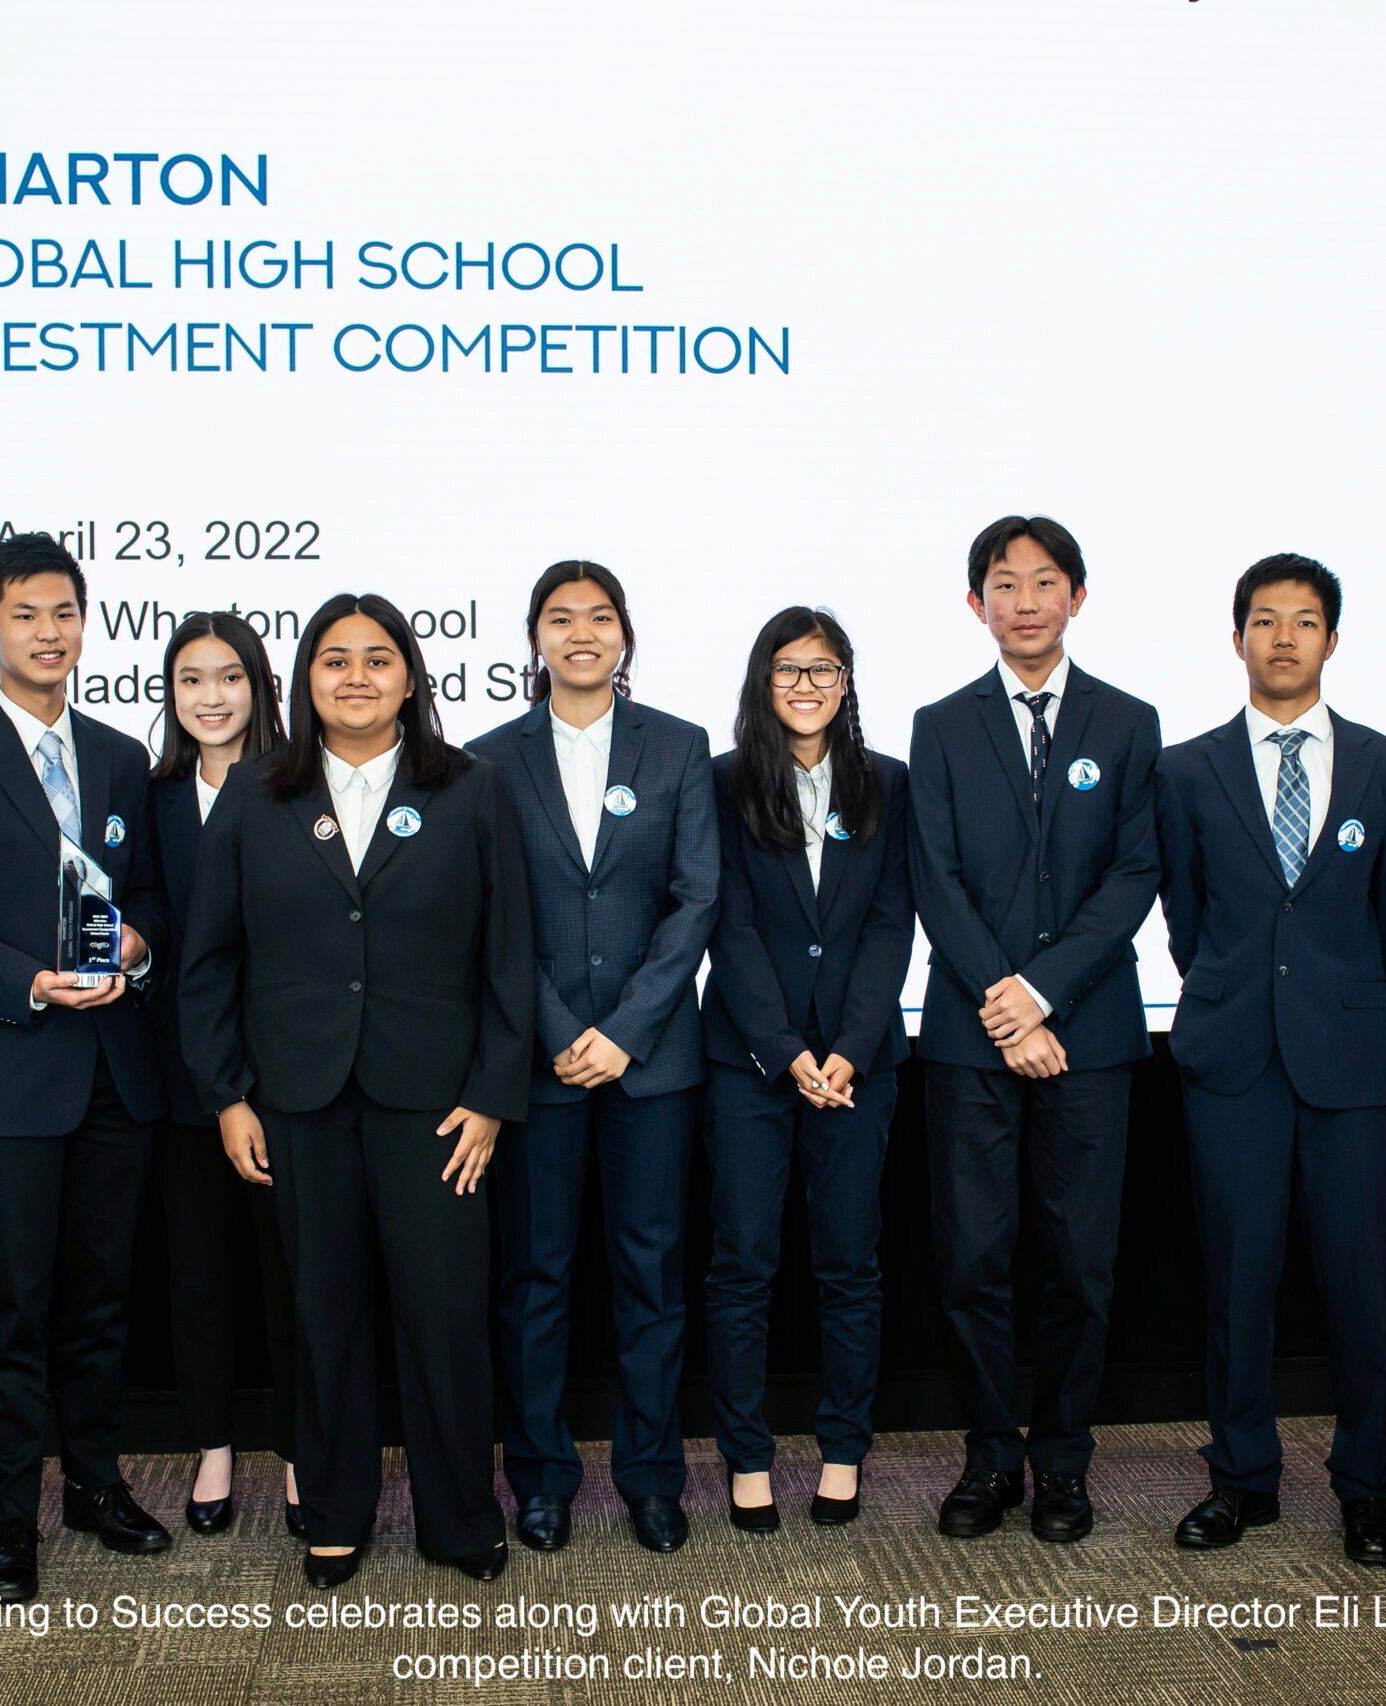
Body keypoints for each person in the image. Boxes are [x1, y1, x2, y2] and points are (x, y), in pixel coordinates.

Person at [180, 593, 533, 1588]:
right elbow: (210, 957)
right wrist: (227, 1093)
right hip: (295, 1098)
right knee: (320, 1311)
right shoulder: (257, 794)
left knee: (444, 1316)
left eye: (378, 659)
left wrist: (494, 1093)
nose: (356, 677)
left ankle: (459, 1510)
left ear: (411, 677)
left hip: (437, 1105)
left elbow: (509, 952)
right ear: (306, 680)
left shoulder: (471, 787)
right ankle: (332, 1508)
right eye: (334, 660)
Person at [0, 532, 174, 1604]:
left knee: (101, 1302)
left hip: (115, 1072)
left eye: (65, 612)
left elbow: (148, 896)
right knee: (9, 1310)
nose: (50, 632)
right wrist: (31, 980)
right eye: (26, 615)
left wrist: (137, 948)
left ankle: (96, 1487)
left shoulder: (117, 759)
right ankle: (11, 1520)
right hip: (7, 1073)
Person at [1155, 554, 1386, 1565]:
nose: (1281, 638)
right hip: (1232, 1057)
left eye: (1303, 621)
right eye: (1262, 620)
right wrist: (1241, 992)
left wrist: (1332, 991)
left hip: (1349, 1056)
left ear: (1331, 640)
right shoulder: (1185, 768)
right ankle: (1241, 1477)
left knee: (1361, 1283)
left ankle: (1364, 1484)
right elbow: (1186, 916)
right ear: (1236, 640)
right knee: (1237, 1277)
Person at [907, 515, 1163, 1545]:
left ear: (1077, 596)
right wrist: (1004, 1004)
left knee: (1079, 1262)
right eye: (1003, 584)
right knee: (973, 1257)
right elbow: (936, 875)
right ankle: (987, 1459)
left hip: (1088, 1033)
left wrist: (1043, 993)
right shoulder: (939, 723)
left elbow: (1134, 872)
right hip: (972, 1038)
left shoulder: (1127, 719)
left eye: (1043, 581)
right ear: (976, 603)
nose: (1023, 600)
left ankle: (1062, 1463)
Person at [469, 561, 720, 1556]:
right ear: (533, 637)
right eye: (560, 617)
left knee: (651, 1276)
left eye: (600, 615)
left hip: (650, 1063)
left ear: (624, 634)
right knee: (535, 1278)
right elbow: (493, 913)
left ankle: (653, 1479)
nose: (582, 631)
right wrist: (562, 1025)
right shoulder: (489, 758)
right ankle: (539, 1477)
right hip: (535, 1062)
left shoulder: (680, 745)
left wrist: (623, 1028)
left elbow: (696, 896)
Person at [700, 607, 914, 1533]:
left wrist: (846, 1052)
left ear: (847, 681)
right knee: (742, 1266)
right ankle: (747, 1458)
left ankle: (841, 1451)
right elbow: (731, 927)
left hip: (857, 1065)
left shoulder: (888, 784)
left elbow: (887, 925)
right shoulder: (721, 783)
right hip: (750, 1063)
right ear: (762, 679)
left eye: (824, 670)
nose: (806, 686)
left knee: (849, 1266)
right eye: (788, 669)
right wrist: (787, 1053)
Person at [145, 613, 301, 1537]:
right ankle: (211, 1449)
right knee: (197, 1276)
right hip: (178, 1079)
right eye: (192, 679)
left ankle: (295, 1450)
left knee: (292, 1276)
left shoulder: (298, 784)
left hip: (285, 1076)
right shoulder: (149, 790)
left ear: (261, 687)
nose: (212, 697)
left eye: (231, 678)